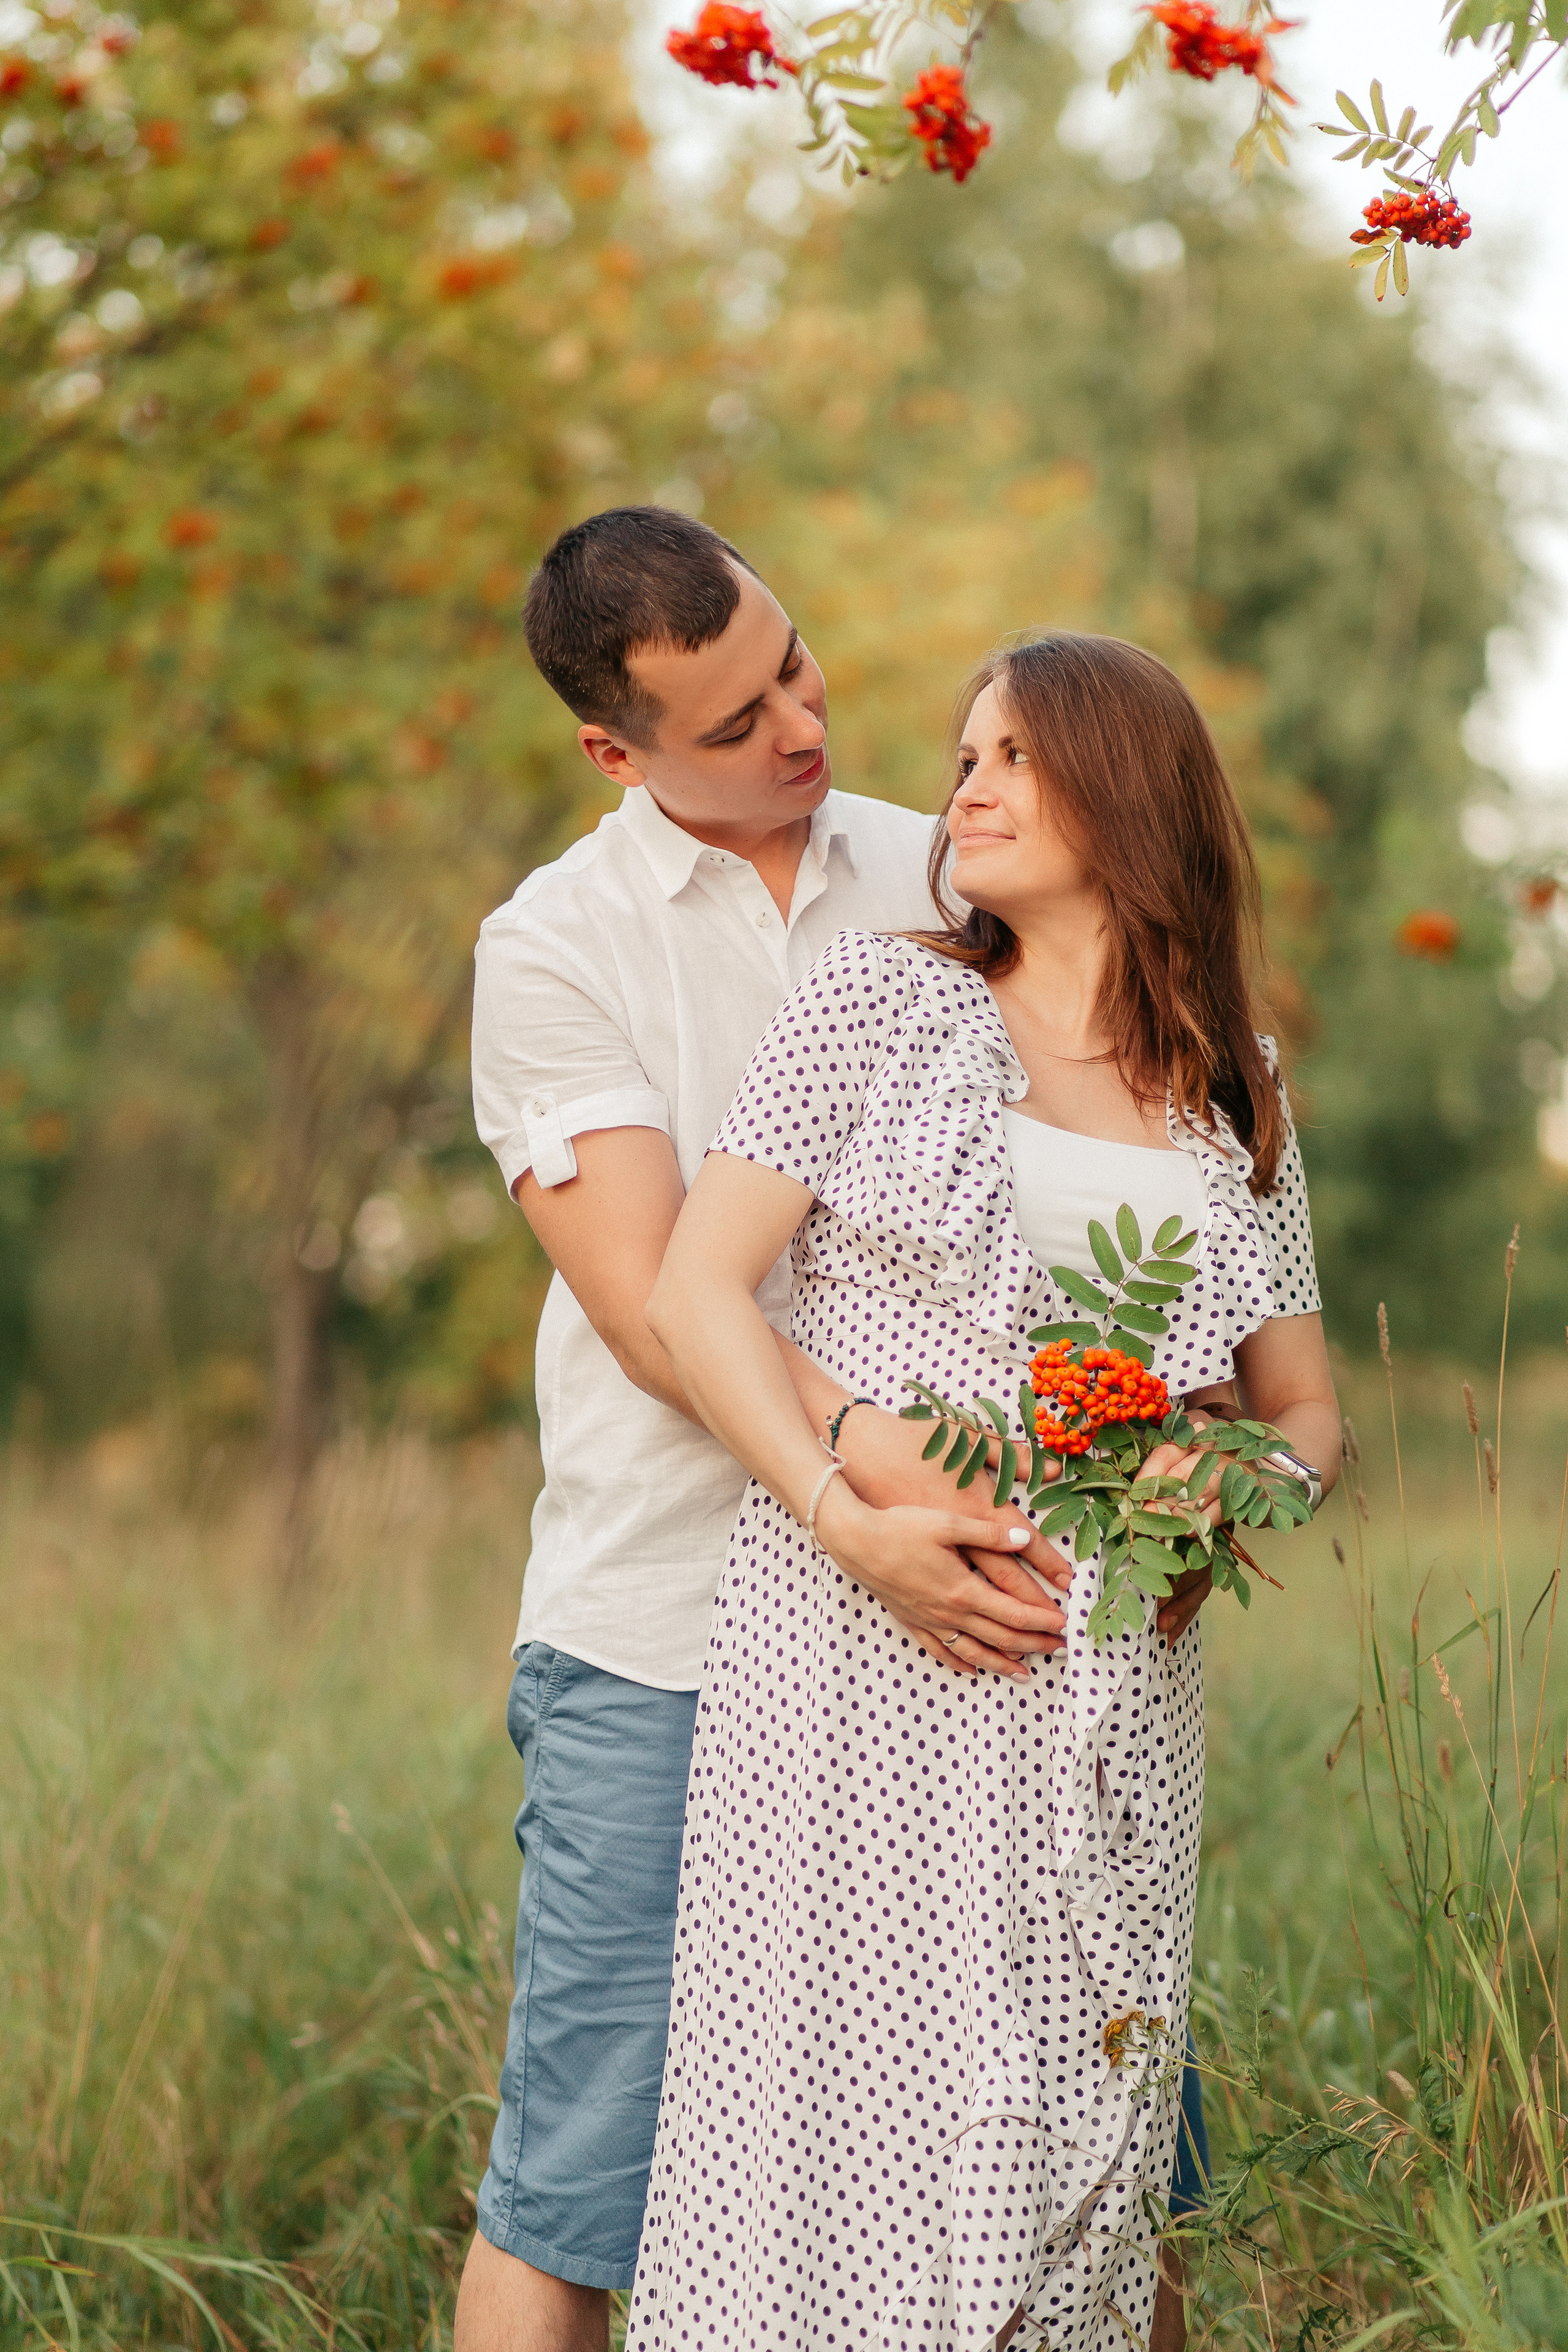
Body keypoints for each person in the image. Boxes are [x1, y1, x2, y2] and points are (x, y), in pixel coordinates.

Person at [627, 632, 1341, 2351]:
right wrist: (840, 1508)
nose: (968, 786)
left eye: (1016, 752)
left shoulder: (1236, 1083)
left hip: (1111, 1696)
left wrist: (1231, 1481)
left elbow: (1310, 1412)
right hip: (863, 1652)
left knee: (1076, 2140)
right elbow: (694, 1291)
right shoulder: (879, 1001)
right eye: (965, 758)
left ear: (1132, 780)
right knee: (828, 2121)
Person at [461, 509, 1104, 2352]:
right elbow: (662, 1310)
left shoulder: (958, 870)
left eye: (797, 660)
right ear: (616, 752)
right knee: (586, 2181)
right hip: (670, 1629)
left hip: (976, 1616)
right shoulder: (555, 951)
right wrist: (880, 1483)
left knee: (1074, 2139)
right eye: (732, 721)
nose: (802, 726)